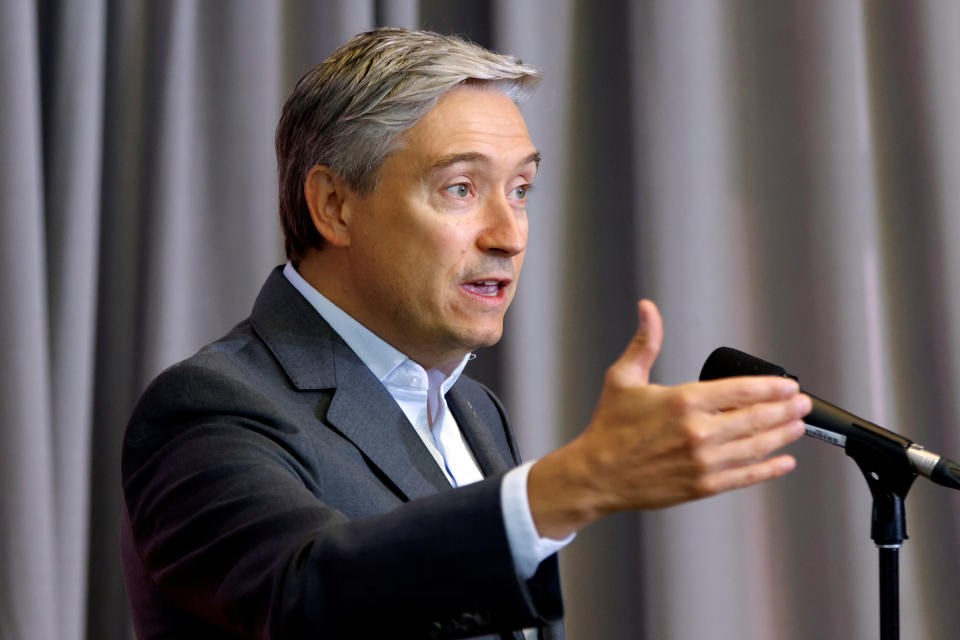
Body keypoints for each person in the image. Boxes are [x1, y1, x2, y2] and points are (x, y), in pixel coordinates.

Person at [120, 27, 811, 640]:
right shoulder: (209, 405)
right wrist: (570, 485)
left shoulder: (475, 411)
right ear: (334, 206)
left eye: (520, 190)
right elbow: (304, 597)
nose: (508, 236)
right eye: (460, 188)